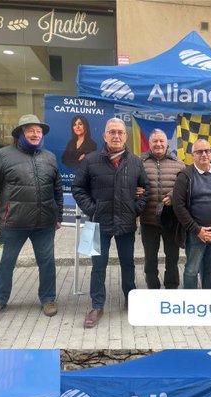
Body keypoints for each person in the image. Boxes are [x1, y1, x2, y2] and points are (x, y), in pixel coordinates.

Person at [0, 115, 62, 320]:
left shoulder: (49, 157)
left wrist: (57, 215)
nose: (35, 134)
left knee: (47, 262)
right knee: (5, 263)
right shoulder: (3, 156)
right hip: (12, 222)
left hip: (44, 223)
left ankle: (48, 299)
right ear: (20, 134)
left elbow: (57, 188)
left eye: (38, 131)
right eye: (30, 130)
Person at [73, 117, 148, 328]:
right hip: (99, 223)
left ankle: (130, 300)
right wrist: (93, 209)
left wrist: (136, 208)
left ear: (125, 136)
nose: (116, 136)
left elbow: (146, 189)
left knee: (128, 264)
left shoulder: (135, 162)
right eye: (112, 132)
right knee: (98, 266)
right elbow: (79, 188)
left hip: (126, 223)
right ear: (104, 135)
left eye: (120, 132)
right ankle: (97, 305)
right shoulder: (91, 160)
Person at [171, 139, 211, 290]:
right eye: (199, 152)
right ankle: (191, 304)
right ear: (193, 155)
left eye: (207, 150)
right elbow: (178, 206)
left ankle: (208, 303)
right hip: (195, 234)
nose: (204, 154)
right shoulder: (185, 177)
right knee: (192, 270)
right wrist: (197, 230)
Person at [140, 129, 186, 290]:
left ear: (167, 143)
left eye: (162, 141)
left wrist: (173, 196)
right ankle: (152, 287)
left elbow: (185, 187)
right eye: (155, 141)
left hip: (171, 221)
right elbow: (132, 182)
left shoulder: (179, 163)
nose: (158, 144)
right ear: (150, 143)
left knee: (172, 257)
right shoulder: (140, 162)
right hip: (148, 220)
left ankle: (171, 287)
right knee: (150, 259)